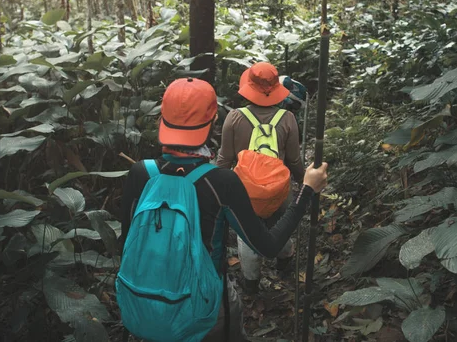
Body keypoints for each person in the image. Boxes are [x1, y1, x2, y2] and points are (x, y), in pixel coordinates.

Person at [118, 77, 328, 341]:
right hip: (204, 311)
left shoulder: (140, 173)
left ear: (161, 119)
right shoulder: (221, 182)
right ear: (213, 122)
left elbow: (126, 243)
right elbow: (268, 246)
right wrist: (306, 191)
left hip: (141, 304)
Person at [217, 62, 305, 293]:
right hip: (279, 187)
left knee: (247, 236)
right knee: (282, 224)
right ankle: (284, 262)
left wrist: (215, 187)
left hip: (244, 190)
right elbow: (294, 160)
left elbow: (225, 158)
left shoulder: (234, 118)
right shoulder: (287, 119)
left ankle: (251, 283)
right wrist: (306, 183)